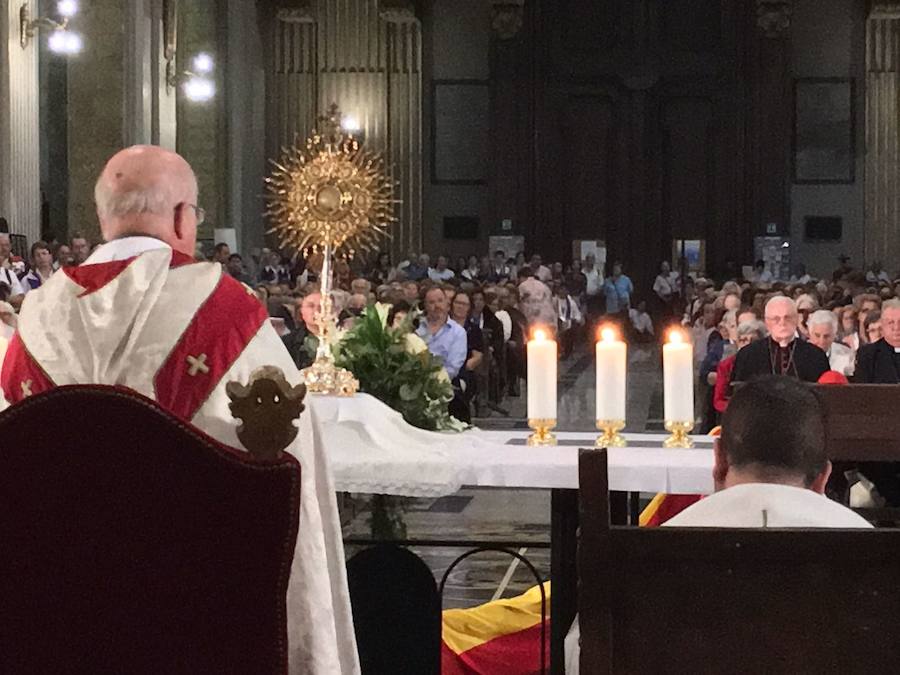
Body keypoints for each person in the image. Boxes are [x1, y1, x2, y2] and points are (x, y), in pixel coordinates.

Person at [0, 145, 358, 674]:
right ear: (180, 218)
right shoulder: (227, 311)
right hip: (201, 620)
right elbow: (291, 476)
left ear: (104, 218)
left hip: (53, 620)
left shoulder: (36, 318)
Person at [565, 375, 871, 674]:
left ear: (719, 461)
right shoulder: (872, 552)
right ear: (822, 478)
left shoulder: (653, 551)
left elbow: (581, 656)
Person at [731, 296, 829, 383]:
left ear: (796, 320)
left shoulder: (815, 355)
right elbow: (739, 394)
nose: (782, 323)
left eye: (788, 317)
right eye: (776, 318)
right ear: (767, 322)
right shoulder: (748, 355)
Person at [713, 319, 766, 413]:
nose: (748, 344)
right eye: (743, 340)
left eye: (753, 341)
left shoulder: (768, 362)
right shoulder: (726, 365)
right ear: (737, 343)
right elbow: (719, 400)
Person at [416, 286, 467, 380]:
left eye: (440, 301)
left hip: (443, 384)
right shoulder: (415, 326)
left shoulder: (458, 332)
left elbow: (453, 368)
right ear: (425, 306)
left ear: (447, 303)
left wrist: (430, 379)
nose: (437, 306)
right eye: (432, 302)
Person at [807, 310, 853, 377]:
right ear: (810, 334)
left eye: (826, 336)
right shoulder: (799, 354)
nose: (821, 341)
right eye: (817, 335)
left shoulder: (847, 356)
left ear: (834, 335)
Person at [555, 283, 583, 359]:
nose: (563, 291)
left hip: (569, 323)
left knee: (570, 333)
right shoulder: (554, 301)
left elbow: (576, 313)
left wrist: (576, 319)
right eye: (561, 289)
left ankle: (567, 352)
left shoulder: (571, 302)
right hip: (557, 322)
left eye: (565, 290)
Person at [0, 233, 24, 309]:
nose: (3, 248)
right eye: (0, 245)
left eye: (6, 245)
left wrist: (5, 300)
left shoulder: (9, 274)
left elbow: (21, 298)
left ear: (11, 246)